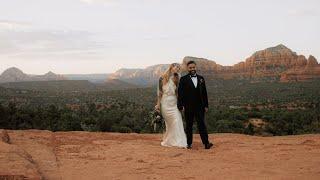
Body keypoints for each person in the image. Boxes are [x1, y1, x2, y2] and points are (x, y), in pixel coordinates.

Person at [177, 60, 213, 149]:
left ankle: (206, 143)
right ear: (187, 68)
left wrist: (206, 105)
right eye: (190, 68)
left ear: (196, 67)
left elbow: (204, 93)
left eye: (193, 67)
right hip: (188, 106)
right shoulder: (183, 79)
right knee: (189, 125)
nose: (192, 69)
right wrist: (180, 105)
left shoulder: (201, 78)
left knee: (202, 125)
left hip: (200, 106)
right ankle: (189, 143)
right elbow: (180, 93)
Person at [155, 63, 187, 148]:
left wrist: (181, 104)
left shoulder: (178, 78)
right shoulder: (162, 78)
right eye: (176, 67)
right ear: (171, 67)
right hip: (165, 103)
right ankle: (169, 141)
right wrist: (158, 104)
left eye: (179, 68)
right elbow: (160, 93)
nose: (177, 69)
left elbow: (178, 94)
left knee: (177, 120)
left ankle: (179, 142)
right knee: (169, 124)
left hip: (174, 103)